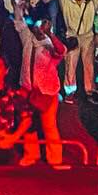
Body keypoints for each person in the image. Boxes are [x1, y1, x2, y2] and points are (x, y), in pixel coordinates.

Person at [21, 17, 66, 165]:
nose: (39, 31)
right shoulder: (28, 39)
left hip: (47, 91)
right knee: (29, 125)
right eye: (38, 28)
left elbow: (61, 51)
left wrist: (51, 35)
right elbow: (18, 21)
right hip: (28, 89)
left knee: (49, 126)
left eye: (43, 29)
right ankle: (31, 154)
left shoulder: (49, 45)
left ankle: (55, 158)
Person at [58, 0, 98, 96]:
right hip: (72, 36)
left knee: (89, 65)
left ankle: (89, 89)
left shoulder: (90, 4)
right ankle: (70, 91)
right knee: (70, 65)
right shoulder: (67, 4)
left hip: (87, 37)